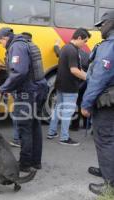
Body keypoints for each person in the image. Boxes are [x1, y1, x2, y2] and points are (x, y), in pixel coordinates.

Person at [0, 27, 48, 171]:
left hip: (28, 93)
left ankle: (25, 164)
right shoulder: (27, 43)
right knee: (34, 125)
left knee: (25, 128)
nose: (1, 45)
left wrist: (4, 88)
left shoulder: (17, 46)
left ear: (4, 38)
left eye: (0, 42)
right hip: (38, 90)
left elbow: (19, 72)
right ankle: (35, 162)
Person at [81, 11, 114, 195]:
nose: (100, 28)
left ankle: (110, 184)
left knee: (105, 140)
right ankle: (107, 170)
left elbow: (99, 79)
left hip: (107, 103)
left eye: (103, 24)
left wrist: (86, 104)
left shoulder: (109, 46)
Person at [48, 28, 91, 146]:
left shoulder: (65, 48)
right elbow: (75, 70)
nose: (85, 44)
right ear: (79, 38)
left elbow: (78, 68)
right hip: (70, 87)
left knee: (58, 108)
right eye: (85, 41)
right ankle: (64, 138)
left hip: (61, 85)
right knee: (67, 112)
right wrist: (89, 78)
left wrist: (87, 75)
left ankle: (51, 132)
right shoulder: (73, 50)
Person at [54, 39, 91, 131]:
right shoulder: (88, 54)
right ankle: (87, 124)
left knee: (76, 104)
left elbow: (59, 52)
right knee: (85, 101)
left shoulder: (71, 53)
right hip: (86, 82)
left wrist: (56, 45)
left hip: (77, 82)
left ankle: (75, 126)